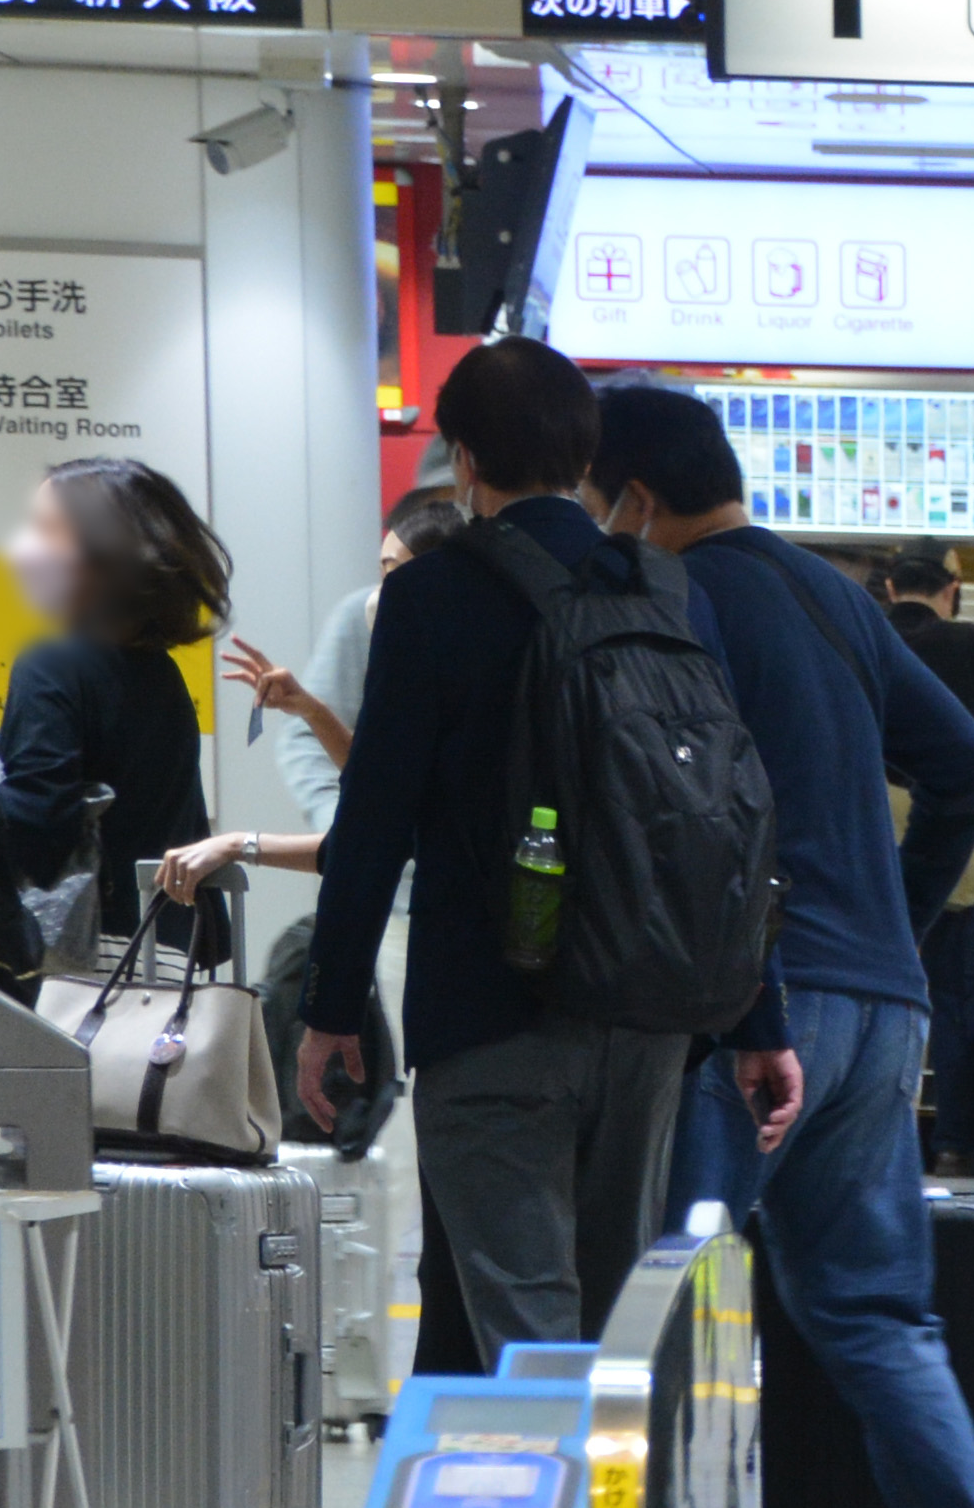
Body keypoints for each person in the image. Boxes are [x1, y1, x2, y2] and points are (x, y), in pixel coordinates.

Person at [590, 384, 974, 1508]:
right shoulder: (836, 596)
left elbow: (688, 805)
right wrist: (899, 908)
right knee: (873, 1309)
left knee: (665, 1293)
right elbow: (961, 759)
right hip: (884, 1004)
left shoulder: (675, 597)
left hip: (757, 1006)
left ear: (636, 498)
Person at [297, 337, 697, 1373]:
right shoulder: (662, 589)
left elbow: (376, 817)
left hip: (492, 1010)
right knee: (613, 1327)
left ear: (464, 459)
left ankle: (549, 1485)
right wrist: (759, 1015)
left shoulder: (432, 597)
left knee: (527, 1330)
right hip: (646, 1012)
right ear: (584, 454)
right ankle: (608, 1484)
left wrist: (332, 1006)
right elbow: (721, 809)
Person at [165, 478, 460, 895]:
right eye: (381, 572)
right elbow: (381, 784)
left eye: (394, 572)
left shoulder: (465, 688)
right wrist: (309, 708)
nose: (380, 595)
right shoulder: (417, 672)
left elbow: (393, 814)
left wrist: (239, 845)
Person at [0, 455, 233, 964]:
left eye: (45, 530)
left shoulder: (53, 665)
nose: (22, 550)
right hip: (166, 955)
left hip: (85, 966)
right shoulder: (161, 673)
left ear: (102, 552)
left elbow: (37, 830)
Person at [879, 544, 974, 1166]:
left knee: (871, 983)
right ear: (952, 589)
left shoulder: (862, 633)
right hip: (953, 836)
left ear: (891, 587)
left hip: (869, 832)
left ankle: (876, 1135)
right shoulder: (970, 644)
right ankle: (956, 1142)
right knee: (957, 995)